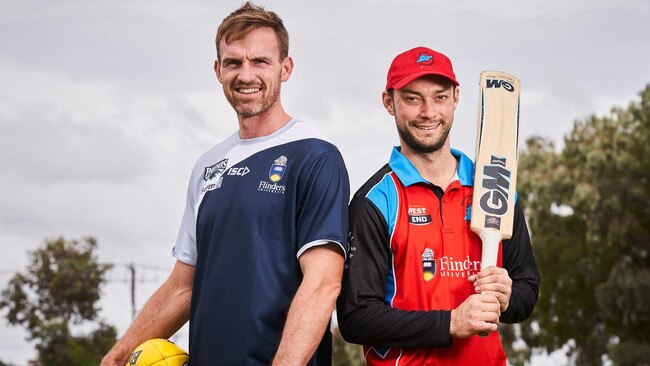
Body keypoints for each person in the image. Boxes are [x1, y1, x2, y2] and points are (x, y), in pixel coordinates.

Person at [101, 2, 349, 365]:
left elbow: (323, 285)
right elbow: (183, 287)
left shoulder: (315, 156)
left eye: (260, 61)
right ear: (218, 70)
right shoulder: (207, 166)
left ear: (286, 67)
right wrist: (117, 355)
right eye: (233, 62)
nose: (246, 74)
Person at [336, 47, 539, 365]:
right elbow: (356, 317)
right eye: (412, 98)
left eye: (440, 97)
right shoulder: (375, 202)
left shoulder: (497, 188)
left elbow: (527, 287)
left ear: (456, 97)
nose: (428, 112)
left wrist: (507, 297)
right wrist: (451, 323)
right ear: (389, 102)